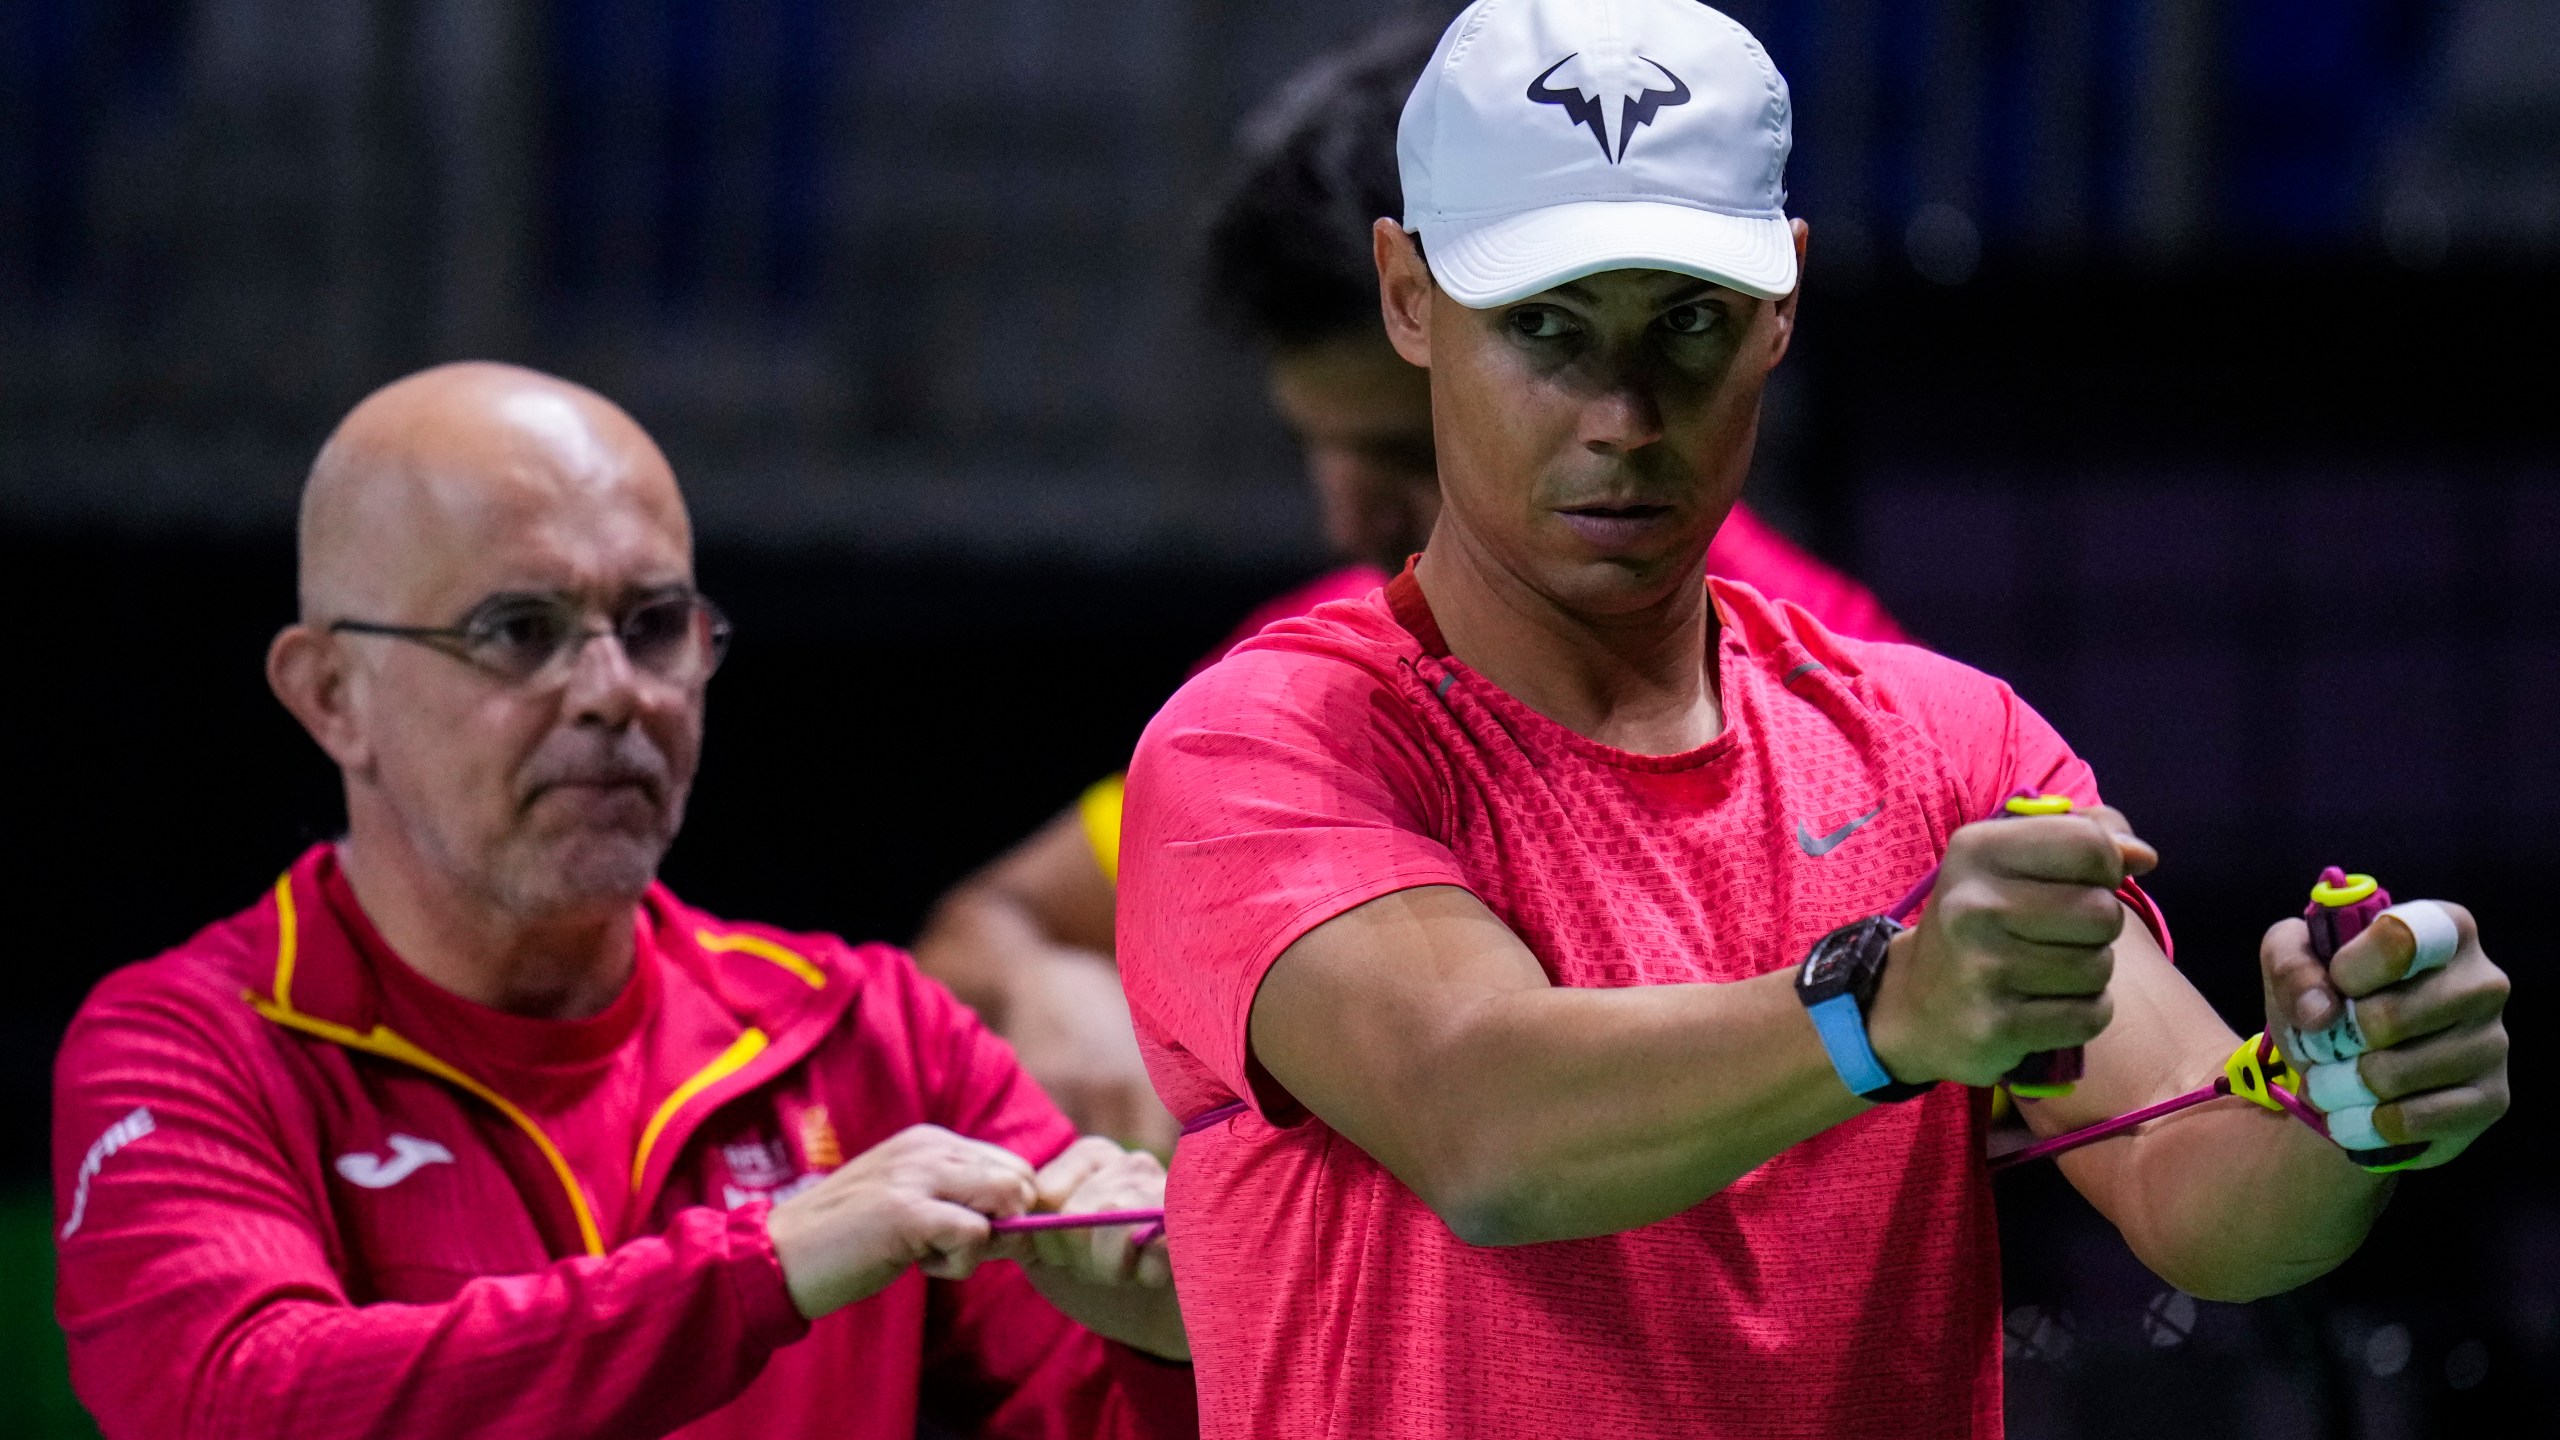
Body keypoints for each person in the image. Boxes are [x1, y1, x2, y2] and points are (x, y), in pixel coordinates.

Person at [1116, 2, 2514, 1436]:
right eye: (1546, 328)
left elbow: (2199, 1200)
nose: (1623, 415)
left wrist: (2356, 1105)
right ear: (1407, 296)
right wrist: (1890, 1010)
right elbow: (1482, 1130)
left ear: (1783, 297)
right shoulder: (1262, 744)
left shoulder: (1955, 749)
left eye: (1690, 325)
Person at [51, 363, 1194, 1440]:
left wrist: (1172, 1343)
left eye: (652, 626)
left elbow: (1102, 1408)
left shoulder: (876, 1038)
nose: (613, 695)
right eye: (519, 632)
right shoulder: (184, 1049)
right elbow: (238, 1404)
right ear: (332, 696)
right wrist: (762, 1267)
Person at [914, 8, 1905, 1156]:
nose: (1344, 516)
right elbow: (992, 927)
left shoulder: (1857, 698)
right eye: (1317, 445)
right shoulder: (1298, 680)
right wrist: (1056, 993)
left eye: (1399, 451)